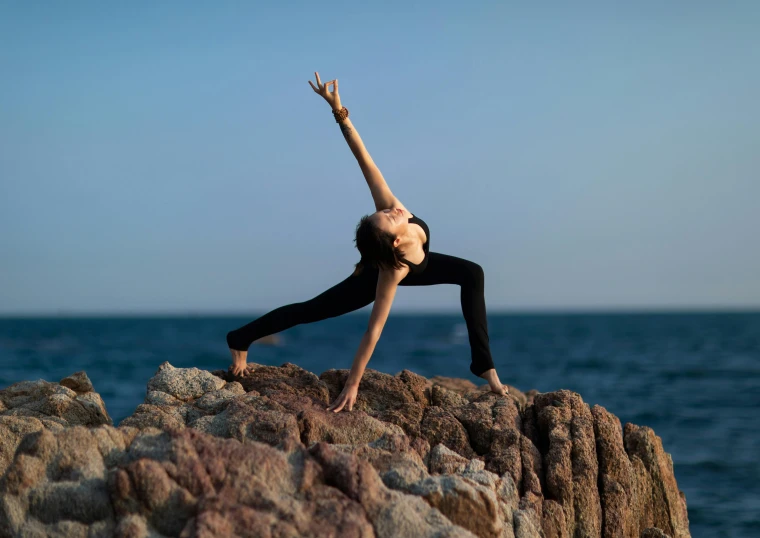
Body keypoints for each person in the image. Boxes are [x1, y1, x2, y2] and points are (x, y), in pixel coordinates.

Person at [226, 71, 509, 413]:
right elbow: (372, 333)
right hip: (379, 275)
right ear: (392, 243)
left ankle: (484, 366)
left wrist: (338, 109)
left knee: (473, 273)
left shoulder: (393, 208)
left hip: (423, 261)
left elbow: (363, 157)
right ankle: (240, 338)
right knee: (311, 310)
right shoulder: (393, 271)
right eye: (389, 218)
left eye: (387, 212)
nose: (393, 211)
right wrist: (353, 384)